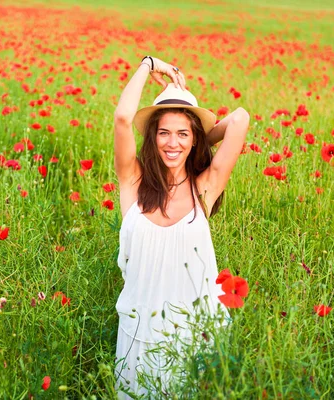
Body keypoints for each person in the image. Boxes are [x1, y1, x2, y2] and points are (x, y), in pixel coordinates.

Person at [113, 56, 249, 398]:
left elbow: (240, 119)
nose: (173, 143)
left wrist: (192, 119)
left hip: (191, 337)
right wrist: (149, 65)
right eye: (164, 133)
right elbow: (122, 118)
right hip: (137, 334)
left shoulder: (205, 188)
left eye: (182, 135)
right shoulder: (133, 184)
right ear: (153, 138)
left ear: (194, 140)